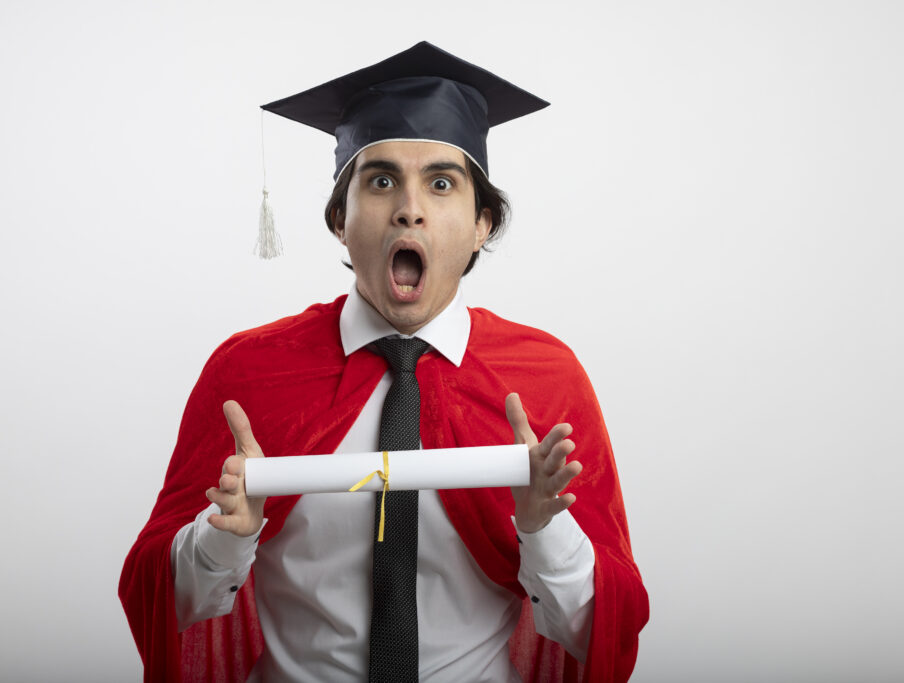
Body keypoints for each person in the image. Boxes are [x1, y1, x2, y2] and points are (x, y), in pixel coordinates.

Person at [120, 41, 648, 682]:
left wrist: (543, 528)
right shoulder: (250, 374)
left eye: (442, 183)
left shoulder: (545, 378)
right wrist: (225, 536)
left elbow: (603, 629)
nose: (409, 206)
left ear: (483, 223)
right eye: (380, 180)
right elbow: (160, 605)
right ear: (340, 220)